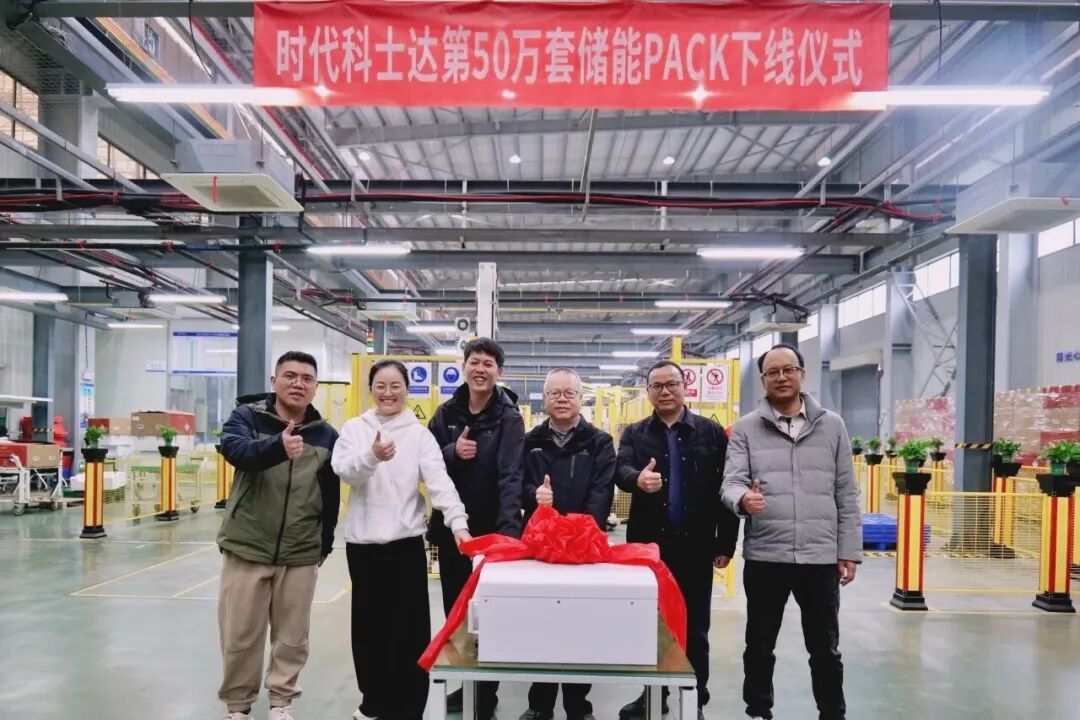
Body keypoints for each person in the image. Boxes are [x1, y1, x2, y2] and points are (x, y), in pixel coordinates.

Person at [721, 343, 862, 720]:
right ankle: (758, 711)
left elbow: (846, 492)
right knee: (759, 644)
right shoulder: (747, 428)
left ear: (802, 373)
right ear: (762, 380)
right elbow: (731, 482)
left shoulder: (832, 425)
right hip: (767, 555)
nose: (781, 377)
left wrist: (849, 550)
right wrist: (743, 500)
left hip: (820, 557)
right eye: (772, 372)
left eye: (788, 370)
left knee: (825, 648)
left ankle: (832, 713)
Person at [332, 359, 473, 720]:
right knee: (368, 627)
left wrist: (458, 524)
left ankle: (409, 706)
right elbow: (345, 471)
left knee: (409, 629)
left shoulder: (419, 435)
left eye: (395, 385)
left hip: (405, 546)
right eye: (380, 385)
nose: (388, 393)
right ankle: (374, 700)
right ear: (371, 389)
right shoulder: (354, 429)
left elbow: (439, 483)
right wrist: (372, 456)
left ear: (407, 390)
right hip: (363, 547)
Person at [216, 351, 341, 720]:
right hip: (248, 546)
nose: (298, 383)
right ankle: (238, 707)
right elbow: (235, 451)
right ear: (274, 381)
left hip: (300, 551)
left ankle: (281, 702)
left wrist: (325, 542)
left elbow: (330, 493)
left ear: (315, 387)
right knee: (240, 635)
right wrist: (276, 447)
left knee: (292, 637)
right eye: (290, 376)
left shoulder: (325, 435)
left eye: (307, 378)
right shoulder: (248, 417)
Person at [615, 360, 739, 720]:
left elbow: (727, 487)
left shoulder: (711, 433)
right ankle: (653, 695)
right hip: (650, 550)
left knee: (695, 627)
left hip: (696, 546)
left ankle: (694, 697)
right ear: (648, 392)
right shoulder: (635, 434)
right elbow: (620, 470)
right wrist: (637, 479)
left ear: (685, 388)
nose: (665, 391)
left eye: (672, 384)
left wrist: (725, 543)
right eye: (657, 386)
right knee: (650, 623)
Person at [428, 337, 526, 719]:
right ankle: (465, 683)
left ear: (499, 371)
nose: (480, 369)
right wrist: (453, 452)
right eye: (475, 362)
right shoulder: (445, 413)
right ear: (464, 367)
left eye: (488, 363)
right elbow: (427, 462)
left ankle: (486, 693)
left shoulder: (509, 418)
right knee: (456, 610)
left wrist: (506, 537)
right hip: (452, 531)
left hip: (490, 532)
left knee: (489, 613)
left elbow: (512, 477)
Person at [519, 368, 616, 720]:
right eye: (554, 393)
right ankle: (539, 705)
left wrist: (580, 534)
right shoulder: (529, 441)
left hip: (583, 547)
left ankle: (578, 706)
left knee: (581, 625)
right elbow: (517, 484)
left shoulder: (599, 442)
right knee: (540, 623)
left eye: (569, 393)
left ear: (580, 398)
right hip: (540, 547)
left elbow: (602, 493)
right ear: (544, 399)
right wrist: (534, 495)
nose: (562, 399)